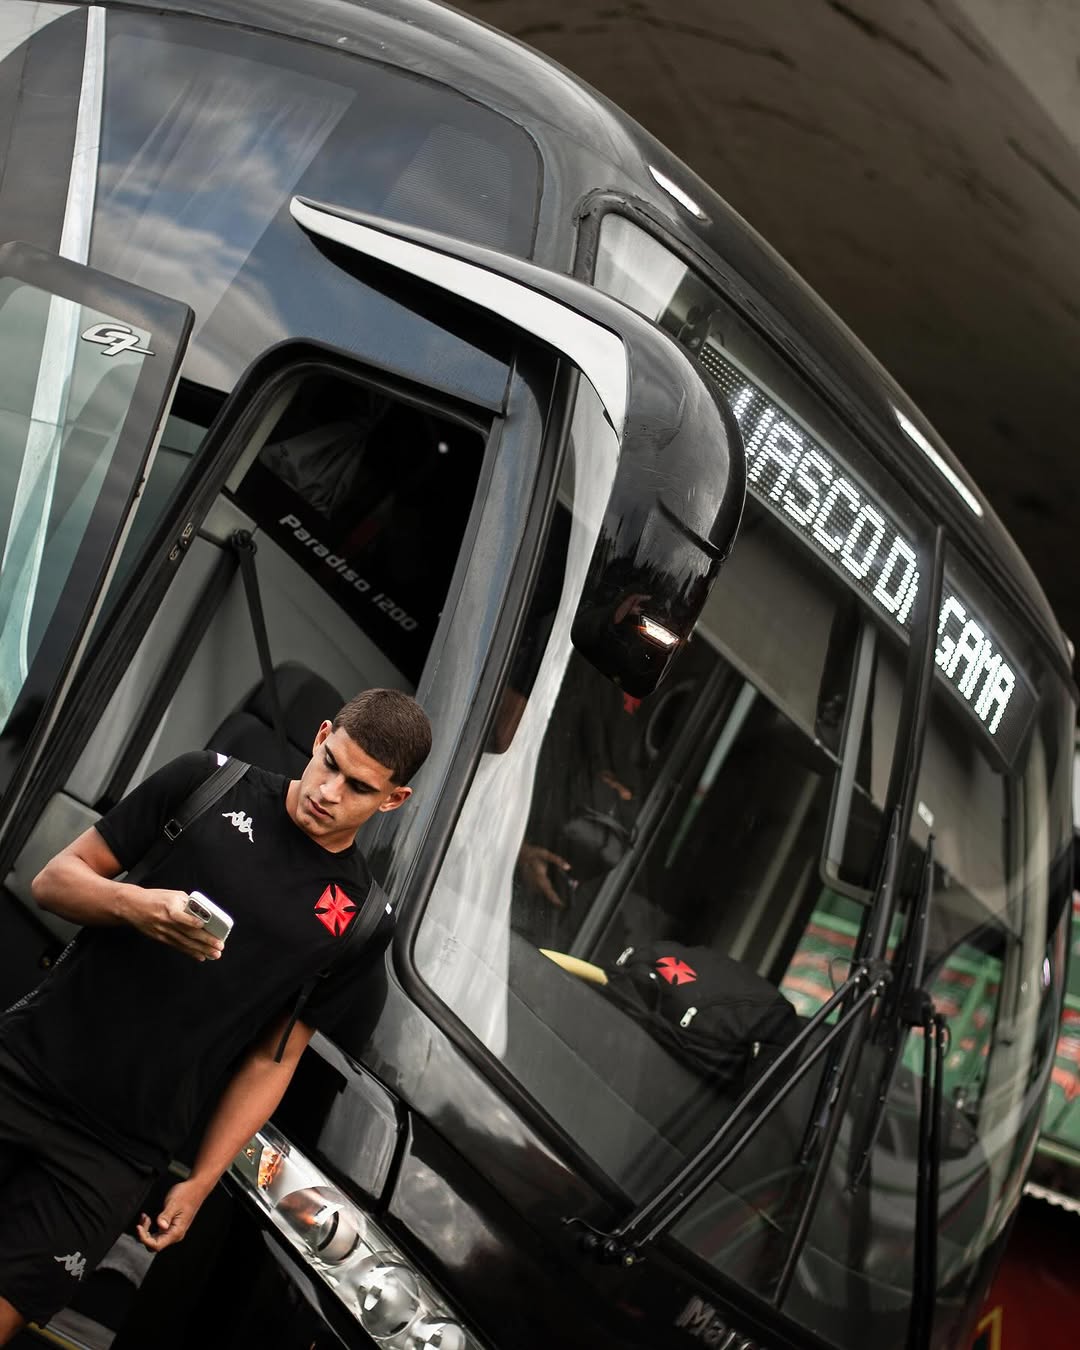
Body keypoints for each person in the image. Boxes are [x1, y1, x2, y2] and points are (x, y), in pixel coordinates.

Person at [0, 687, 431, 1345]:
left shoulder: (360, 921)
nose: (329, 791)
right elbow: (53, 881)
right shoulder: (208, 781)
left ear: (393, 800)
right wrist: (137, 906)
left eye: (359, 788)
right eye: (330, 763)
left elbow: (273, 1060)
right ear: (321, 736)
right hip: (22, 1070)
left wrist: (201, 1180)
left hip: (114, 1155)